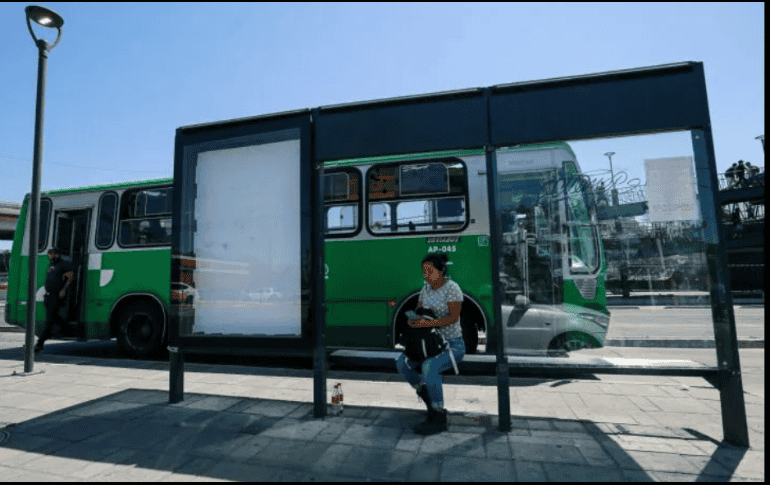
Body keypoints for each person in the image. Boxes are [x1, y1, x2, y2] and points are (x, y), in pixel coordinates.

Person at [396, 253, 465, 435]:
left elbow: (453, 318)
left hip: (451, 345)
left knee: (429, 367)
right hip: (427, 344)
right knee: (401, 363)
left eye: (430, 271)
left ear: (441, 271)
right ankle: (427, 396)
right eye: (424, 272)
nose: (426, 275)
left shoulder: (452, 288)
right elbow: (420, 312)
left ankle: (438, 415)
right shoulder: (425, 288)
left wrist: (428, 323)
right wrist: (414, 321)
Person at [34, 249, 74, 353]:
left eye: (51, 254)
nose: (50, 256)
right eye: (49, 255)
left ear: (56, 254)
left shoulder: (63, 264)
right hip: (48, 295)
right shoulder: (52, 265)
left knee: (49, 320)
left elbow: (70, 277)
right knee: (54, 317)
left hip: (56, 295)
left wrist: (63, 289)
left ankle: (40, 343)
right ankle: (65, 328)